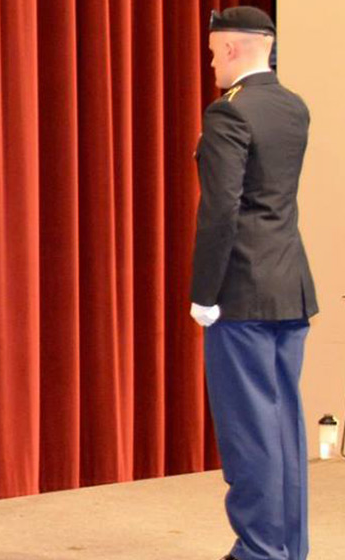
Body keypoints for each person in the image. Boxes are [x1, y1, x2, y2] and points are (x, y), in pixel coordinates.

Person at [191, 7, 317, 560]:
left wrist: (203, 292)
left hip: (240, 291)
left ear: (236, 49)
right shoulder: (294, 107)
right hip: (289, 284)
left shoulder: (227, 115)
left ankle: (259, 550)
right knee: (285, 427)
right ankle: (288, 547)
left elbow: (221, 211)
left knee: (248, 433)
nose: (212, 61)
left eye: (216, 51)